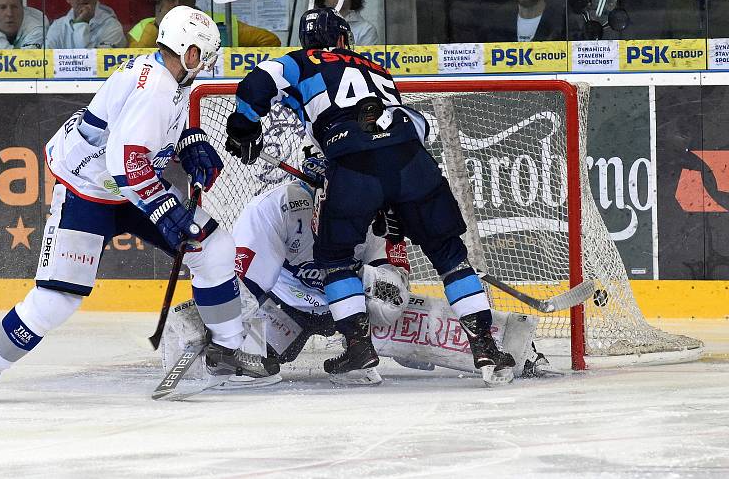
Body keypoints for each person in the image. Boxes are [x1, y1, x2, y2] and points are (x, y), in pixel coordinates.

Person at [0, 6, 275, 405]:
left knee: (212, 246)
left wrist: (190, 142)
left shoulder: (170, 75)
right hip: (89, 195)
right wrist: (166, 211)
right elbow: (126, 162)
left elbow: (163, 128)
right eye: (203, 53)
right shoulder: (152, 88)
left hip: (126, 190)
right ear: (187, 51)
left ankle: (225, 351)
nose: (206, 61)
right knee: (56, 299)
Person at [224, 7, 517, 386]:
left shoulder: (300, 62)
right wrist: (392, 197)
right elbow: (416, 125)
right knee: (449, 255)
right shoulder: (375, 68)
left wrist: (244, 126)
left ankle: (359, 350)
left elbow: (257, 81)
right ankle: (485, 348)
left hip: (353, 163)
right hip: (412, 161)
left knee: (336, 261)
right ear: (344, 38)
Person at [161, 152, 554, 389]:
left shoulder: (373, 215)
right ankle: (192, 338)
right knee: (243, 361)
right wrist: (223, 331)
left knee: (416, 327)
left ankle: (517, 349)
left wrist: (362, 280)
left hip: (358, 314)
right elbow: (247, 288)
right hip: (285, 306)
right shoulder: (271, 211)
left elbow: (393, 297)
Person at [127, 0, 280, 48]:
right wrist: (158, 26)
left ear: (194, 0)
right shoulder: (143, 28)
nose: (178, 5)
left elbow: (271, 41)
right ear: (160, 2)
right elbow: (133, 60)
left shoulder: (219, 22)